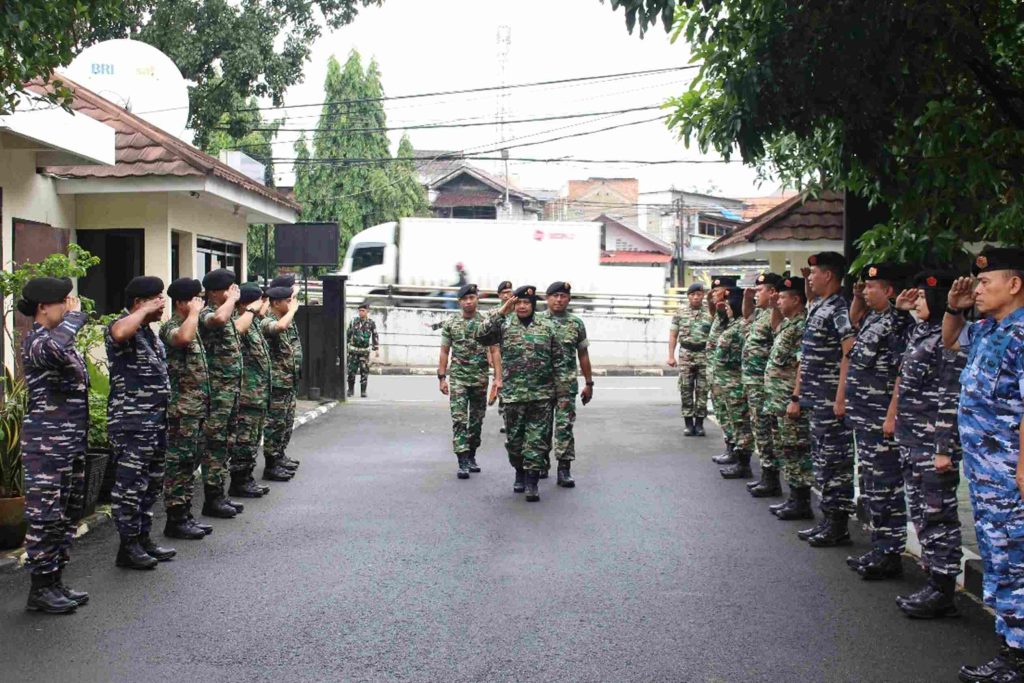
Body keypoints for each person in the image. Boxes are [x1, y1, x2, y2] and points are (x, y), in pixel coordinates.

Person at [942, 248, 1024, 683]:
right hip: (986, 472)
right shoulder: (990, 329)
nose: (977, 290)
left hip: (1011, 475)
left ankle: (1017, 658)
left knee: (1014, 562)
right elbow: (950, 339)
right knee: (999, 557)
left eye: (985, 283)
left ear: (1014, 285)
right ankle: (1009, 644)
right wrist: (953, 308)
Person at [889, 271, 963, 618]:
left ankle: (944, 588)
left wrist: (943, 448)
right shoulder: (920, 332)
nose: (915, 303)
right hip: (912, 438)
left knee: (939, 515)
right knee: (921, 513)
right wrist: (900, 311)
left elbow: (951, 391)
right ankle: (932, 579)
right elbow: (892, 363)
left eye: (920, 299)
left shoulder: (949, 338)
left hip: (933, 441)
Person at [19, 277, 89, 613]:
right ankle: (40, 588)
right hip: (46, 446)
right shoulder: (37, 341)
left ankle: (55, 579)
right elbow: (55, 350)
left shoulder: (60, 340)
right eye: (64, 300)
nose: (71, 305)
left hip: (70, 444)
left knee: (67, 515)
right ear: (43, 307)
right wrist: (75, 318)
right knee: (45, 517)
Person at [843, 263, 912, 575]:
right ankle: (879, 547)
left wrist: (891, 415)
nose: (867, 291)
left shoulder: (899, 324)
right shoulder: (874, 318)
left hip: (880, 416)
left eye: (873, 287)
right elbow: (852, 323)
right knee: (871, 485)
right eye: (865, 287)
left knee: (885, 487)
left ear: (890, 291)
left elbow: (901, 372)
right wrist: (858, 298)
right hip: (865, 415)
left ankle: (890, 554)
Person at [106, 276, 176, 570]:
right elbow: (119, 333)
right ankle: (128, 546)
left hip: (155, 422)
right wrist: (142, 311)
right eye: (157, 298)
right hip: (132, 424)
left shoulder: (149, 333)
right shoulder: (122, 326)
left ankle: (143, 538)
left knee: (151, 484)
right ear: (138, 302)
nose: (163, 304)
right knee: (130, 487)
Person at [788, 252, 857, 547]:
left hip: (830, 400)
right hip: (817, 400)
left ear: (828, 275)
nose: (810, 277)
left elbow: (848, 352)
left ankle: (838, 525)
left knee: (835, 463)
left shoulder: (838, 309)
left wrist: (841, 397)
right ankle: (827, 520)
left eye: (814, 273)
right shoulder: (819, 306)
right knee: (822, 462)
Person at [476, 285, 565, 502]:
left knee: (536, 441)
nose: (523, 306)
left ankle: (532, 482)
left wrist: (561, 394)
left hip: (541, 396)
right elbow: (481, 336)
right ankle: (519, 472)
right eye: (519, 303)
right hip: (513, 395)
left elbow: (559, 362)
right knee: (515, 441)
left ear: (533, 305)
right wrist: (502, 311)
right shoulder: (504, 324)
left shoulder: (548, 327)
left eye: (527, 303)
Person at [159, 278, 212, 540]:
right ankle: (175, 518)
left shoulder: (193, 324)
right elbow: (183, 338)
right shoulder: (171, 327)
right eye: (194, 299)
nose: (200, 303)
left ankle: (185, 514)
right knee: (178, 464)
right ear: (181, 302)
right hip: (181, 410)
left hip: (196, 409)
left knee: (190, 462)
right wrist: (193, 314)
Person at [764, 276, 815, 520]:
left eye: (783, 297)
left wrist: (796, 398)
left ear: (796, 300)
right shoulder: (788, 324)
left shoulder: (801, 325)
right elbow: (774, 328)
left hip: (789, 400)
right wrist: (775, 307)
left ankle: (802, 501)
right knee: (785, 448)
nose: (779, 300)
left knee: (796, 450)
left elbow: (802, 366)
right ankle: (793, 498)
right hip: (778, 399)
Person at [438, 284, 498, 479]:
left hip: (479, 379)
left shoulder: (485, 323)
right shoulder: (451, 324)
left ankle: (471, 455)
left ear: (477, 299)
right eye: (465, 298)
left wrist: (498, 378)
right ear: (460, 302)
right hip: (458, 379)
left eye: (472, 297)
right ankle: (462, 460)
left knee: (476, 421)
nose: (469, 301)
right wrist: (442, 377)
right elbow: (444, 351)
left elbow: (494, 349)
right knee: (459, 420)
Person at [198, 269, 245, 519]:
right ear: (215, 292)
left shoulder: (226, 310)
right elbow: (217, 320)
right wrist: (231, 301)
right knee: (214, 445)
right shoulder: (208, 313)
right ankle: (212, 498)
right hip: (217, 393)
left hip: (230, 391)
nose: (233, 292)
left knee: (225, 443)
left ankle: (220, 494)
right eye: (228, 288)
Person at [541, 281, 594, 487]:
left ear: (569, 299)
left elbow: (583, 354)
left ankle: (564, 469)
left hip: (566, 385)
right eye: (555, 296)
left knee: (564, 427)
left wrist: (589, 383)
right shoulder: (536, 321)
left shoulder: (576, 323)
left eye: (563, 296)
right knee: (541, 427)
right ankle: (541, 464)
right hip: (541, 385)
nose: (559, 299)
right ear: (547, 298)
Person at [228, 284, 272, 498]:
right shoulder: (242, 321)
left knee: (253, 439)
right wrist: (250, 310)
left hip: (258, 395)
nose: (265, 304)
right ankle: (238, 481)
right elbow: (237, 328)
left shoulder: (254, 324)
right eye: (261, 300)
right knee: (244, 440)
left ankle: (247, 478)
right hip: (247, 394)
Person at [743, 273, 783, 496]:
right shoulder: (761, 313)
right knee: (759, 429)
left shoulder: (776, 315)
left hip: (764, 383)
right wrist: (748, 298)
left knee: (766, 431)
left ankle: (771, 478)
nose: (756, 293)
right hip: (753, 381)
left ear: (772, 293)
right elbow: (747, 315)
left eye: (760, 290)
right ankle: (767, 475)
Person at [261, 285, 303, 481]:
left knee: (284, 423)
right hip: (276, 383)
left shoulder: (283, 317)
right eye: (287, 301)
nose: (291, 303)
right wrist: (293, 310)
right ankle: (270, 465)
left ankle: (278, 458)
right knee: (274, 424)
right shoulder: (268, 320)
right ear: (276, 303)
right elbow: (279, 327)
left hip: (287, 381)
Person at [715, 286, 754, 479]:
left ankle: (743, 463)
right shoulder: (732, 323)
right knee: (734, 422)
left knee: (741, 424)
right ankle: (737, 457)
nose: (727, 308)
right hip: (727, 383)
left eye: (730, 305)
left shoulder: (741, 325)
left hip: (736, 382)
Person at [668, 282, 712, 437]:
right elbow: (673, 335)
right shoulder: (680, 312)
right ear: (688, 296)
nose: (696, 297)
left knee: (702, 390)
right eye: (693, 294)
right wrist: (671, 356)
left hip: (704, 354)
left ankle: (699, 424)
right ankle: (688, 424)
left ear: (703, 296)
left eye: (699, 294)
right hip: (686, 353)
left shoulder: (710, 312)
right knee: (686, 389)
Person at [707, 276, 740, 465]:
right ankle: (729, 446)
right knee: (721, 413)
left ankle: (735, 450)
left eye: (717, 291)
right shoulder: (721, 313)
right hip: (716, 374)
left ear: (727, 292)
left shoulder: (734, 313)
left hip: (729, 377)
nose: (713, 295)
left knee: (731, 415)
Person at [347, 302, 379, 398]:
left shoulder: (371, 323)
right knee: (351, 372)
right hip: (353, 351)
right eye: (360, 311)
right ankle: (350, 390)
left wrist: (376, 349)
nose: (361, 313)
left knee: (364, 372)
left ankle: (363, 391)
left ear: (367, 311)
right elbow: (348, 334)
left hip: (364, 352)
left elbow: (375, 335)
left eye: (363, 311)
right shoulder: (354, 322)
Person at [495, 280, 514, 433]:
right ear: (500, 295)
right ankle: (506, 419)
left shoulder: (519, 311)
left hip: (518, 358)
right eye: (505, 292)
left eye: (510, 292)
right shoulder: (496, 312)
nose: (508, 294)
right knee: (503, 390)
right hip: (501, 358)